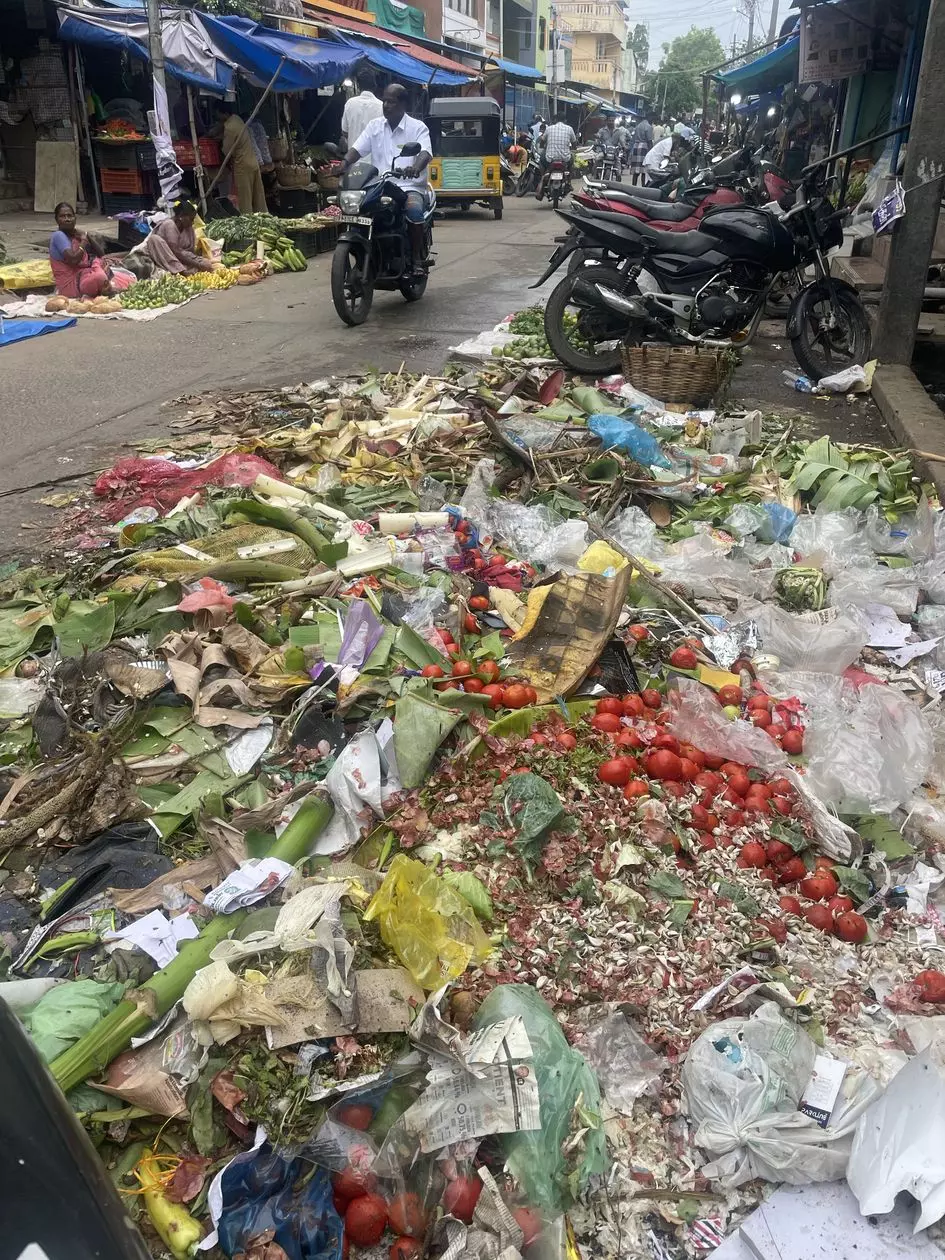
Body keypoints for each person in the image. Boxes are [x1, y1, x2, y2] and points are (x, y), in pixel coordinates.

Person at [342, 83, 433, 274]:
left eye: (390, 102)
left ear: (403, 104)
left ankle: (416, 260)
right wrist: (343, 163)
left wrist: (415, 168)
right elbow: (357, 149)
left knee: (414, 211)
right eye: (384, 101)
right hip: (381, 185)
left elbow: (425, 153)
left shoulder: (418, 128)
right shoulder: (374, 126)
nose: (385, 105)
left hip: (409, 186)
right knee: (360, 211)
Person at [48, 202, 112, 299]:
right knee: (99, 276)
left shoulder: (76, 235)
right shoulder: (58, 236)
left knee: (102, 264)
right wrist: (84, 241)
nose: (67, 219)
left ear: (75, 218)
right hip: (71, 285)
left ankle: (101, 286)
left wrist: (87, 236)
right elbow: (74, 260)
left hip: (83, 276)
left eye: (70, 216)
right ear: (57, 220)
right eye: (62, 216)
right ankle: (101, 286)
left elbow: (101, 254)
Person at [139, 199, 215, 275]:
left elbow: (189, 251)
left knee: (207, 264)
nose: (192, 222)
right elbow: (175, 251)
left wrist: (198, 261)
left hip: (182, 259)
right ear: (181, 216)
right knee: (154, 239)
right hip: (166, 257)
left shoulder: (188, 228)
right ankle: (181, 271)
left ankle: (183, 269)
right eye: (191, 219)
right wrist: (197, 264)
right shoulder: (169, 225)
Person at [216, 102, 267, 213]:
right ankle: (263, 216)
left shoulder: (229, 127)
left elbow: (226, 150)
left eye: (218, 114)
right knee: (258, 196)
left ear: (223, 113)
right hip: (253, 161)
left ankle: (247, 219)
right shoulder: (237, 119)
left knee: (245, 198)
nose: (217, 117)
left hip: (243, 165)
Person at [536, 112, 576, 200]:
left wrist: (542, 147)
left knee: (541, 161)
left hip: (550, 159)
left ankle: (544, 176)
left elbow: (542, 141)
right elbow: (574, 143)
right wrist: (572, 149)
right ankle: (569, 182)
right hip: (565, 159)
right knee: (572, 162)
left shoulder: (549, 128)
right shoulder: (569, 129)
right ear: (565, 120)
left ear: (555, 120)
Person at [341, 73, 383, 151]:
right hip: (373, 157)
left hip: (353, 157)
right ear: (375, 86)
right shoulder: (381, 106)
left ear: (358, 86)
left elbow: (345, 132)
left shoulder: (350, 103)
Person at [628, 113, 654, 185]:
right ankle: (643, 187)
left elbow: (633, 139)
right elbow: (649, 140)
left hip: (636, 147)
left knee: (636, 170)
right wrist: (651, 151)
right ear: (650, 118)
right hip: (644, 147)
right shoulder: (648, 127)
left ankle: (633, 186)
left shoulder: (638, 126)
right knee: (643, 171)